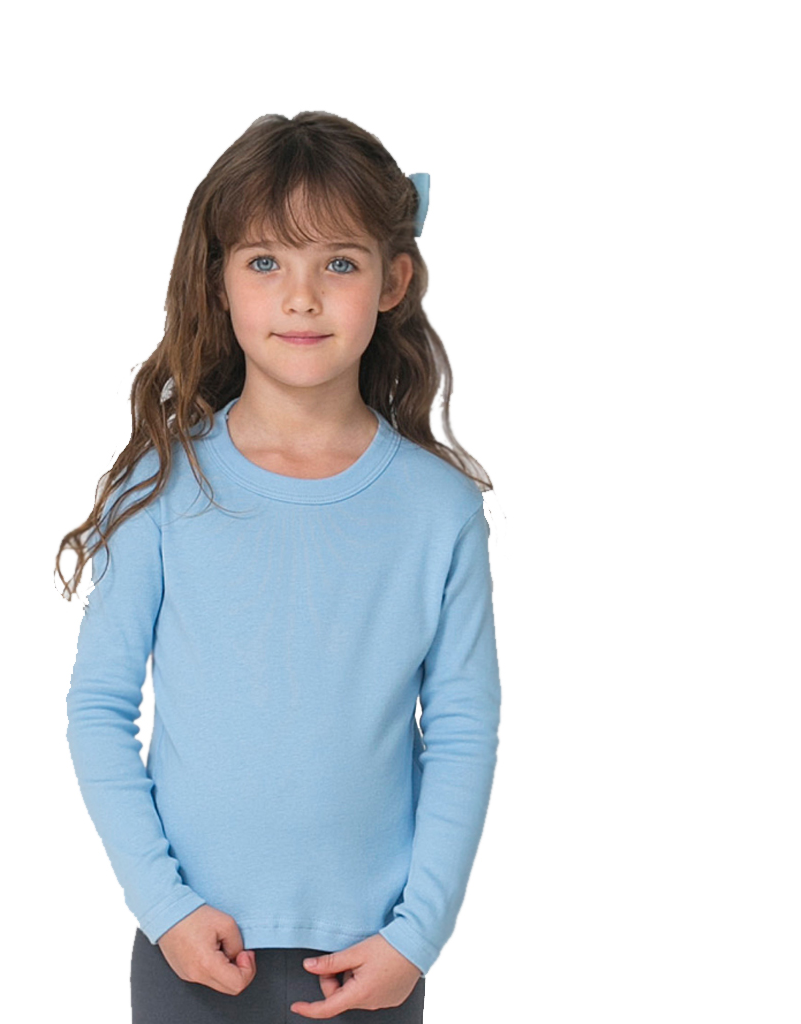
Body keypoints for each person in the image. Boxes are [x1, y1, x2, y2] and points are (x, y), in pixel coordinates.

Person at [56, 110, 502, 1023]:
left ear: (393, 280)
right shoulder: (163, 487)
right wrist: (165, 906)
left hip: (372, 961)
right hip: (189, 950)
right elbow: (99, 707)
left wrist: (417, 936)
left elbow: (461, 730)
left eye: (338, 263)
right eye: (265, 262)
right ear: (219, 280)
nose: (301, 298)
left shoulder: (439, 509)